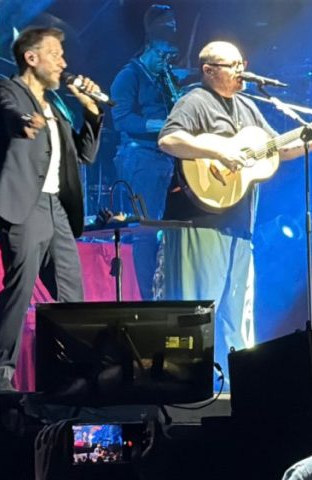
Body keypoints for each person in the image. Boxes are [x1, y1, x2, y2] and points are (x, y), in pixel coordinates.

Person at [156, 40, 312, 378]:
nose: (242, 70)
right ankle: (192, 383)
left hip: (239, 222)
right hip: (201, 220)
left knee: (239, 310)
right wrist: (220, 152)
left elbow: (277, 150)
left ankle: (238, 386)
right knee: (199, 307)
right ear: (209, 70)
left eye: (242, 63)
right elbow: (168, 140)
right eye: (232, 64)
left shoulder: (247, 107)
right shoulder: (195, 101)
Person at [0, 27, 103, 394]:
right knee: (20, 289)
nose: (63, 62)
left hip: (57, 209)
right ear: (32, 58)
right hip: (25, 205)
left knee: (72, 297)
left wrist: (92, 114)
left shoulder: (58, 107)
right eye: (56, 54)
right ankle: (1, 372)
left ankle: (76, 374)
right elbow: (11, 112)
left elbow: (85, 155)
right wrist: (26, 122)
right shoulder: (7, 89)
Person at [109, 4, 181, 300]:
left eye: (169, 57)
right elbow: (120, 119)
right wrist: (163, 123)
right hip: (140, 160)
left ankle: (165, 290)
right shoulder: (128, 76)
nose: (166, 62)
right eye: (162, 56)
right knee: (146, 231)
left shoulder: (162, 77)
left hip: (163, 160)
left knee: (163, 230)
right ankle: (148, 297)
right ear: (149, 46)